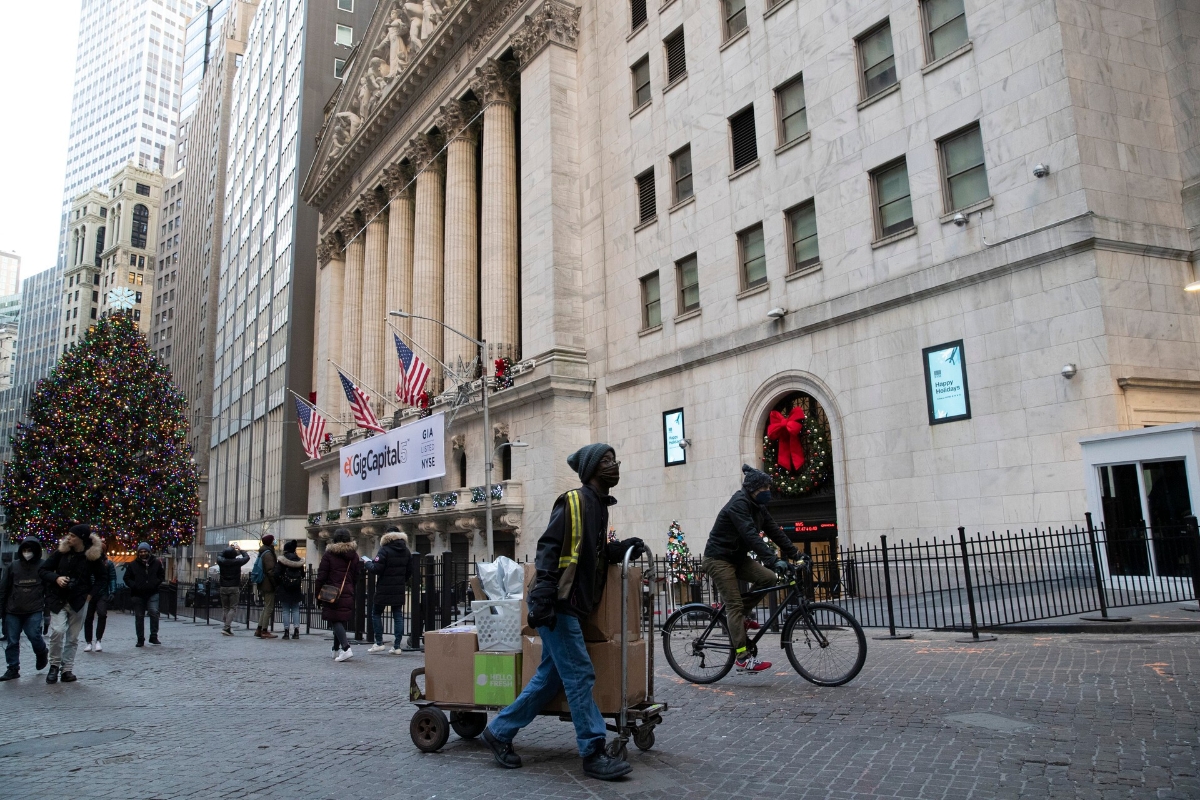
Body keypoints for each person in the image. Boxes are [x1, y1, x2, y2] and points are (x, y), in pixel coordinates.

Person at [483, 444, 645, 782]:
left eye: (614, 459)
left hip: (571, 604)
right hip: (558, 604)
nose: (614, 465)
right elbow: (549, 548)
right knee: (580, 674)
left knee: (550, 678)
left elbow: (592, 553)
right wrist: (543, 596)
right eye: (606, 460)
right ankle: (593, 751)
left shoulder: (599, 507)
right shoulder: (573, 501)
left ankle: (499, 731)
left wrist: (620, 548)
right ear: (591, 469)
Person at [701, 465, 804, 674]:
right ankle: (742, 657)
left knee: (769, 578)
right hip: (718, 559)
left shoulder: (758, 506)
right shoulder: (738, 504)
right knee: (734, 605)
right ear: (753, 488)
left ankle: (741, 617)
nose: (768, 491)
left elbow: (774, 531)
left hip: (737, 558)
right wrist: (772, 560)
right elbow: (750, 535)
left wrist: (796, 554)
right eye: (765, 487)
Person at [40, 524, 105, 684]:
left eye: (73, 536)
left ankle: (67, 669)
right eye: (69, 534)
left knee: (73, 637)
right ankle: (54, 666)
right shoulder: (61, 553)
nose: (69, 538)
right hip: (58, 598)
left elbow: (102, 578)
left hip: (79, 600)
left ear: (81, 538)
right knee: (58, 631)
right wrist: (57, 578)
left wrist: (90, 595)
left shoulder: (92, 556)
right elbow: (43, 570)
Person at [0, 537, 49, 681]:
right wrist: (2, 611)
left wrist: (47, 614)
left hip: (34, 608)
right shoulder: (13, 566)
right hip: (13, 609)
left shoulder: (43, 566)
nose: (27, 553)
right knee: (12, 641)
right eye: (25, 550)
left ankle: (41, 651)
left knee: (33, 634)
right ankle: (13, 668)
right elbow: (3, 589)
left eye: (30, 550)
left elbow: (48, 590)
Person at [366, 527, 415, 654]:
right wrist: (402, 580)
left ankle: (379, 643)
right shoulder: (406, 551)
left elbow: (376, 569)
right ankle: (397, 646)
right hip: (398, 587)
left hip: (383, 587)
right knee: (398, 615)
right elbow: (410, 570)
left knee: (376, 613)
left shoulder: (384, 550)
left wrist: (367, 564)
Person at [315, 528, 360, 662]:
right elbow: (357, 575)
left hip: (332, 592)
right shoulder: (354, 555)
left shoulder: (329, 555)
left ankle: (346, 648)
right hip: (347, 590)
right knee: (338, 619)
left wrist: (317, 594)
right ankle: (335, 649)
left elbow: (321, 576)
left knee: (335, 619)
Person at [123, 542, 165, 646]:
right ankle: (140, 639)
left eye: (145, 551)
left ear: (149, 552)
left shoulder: (156, 563)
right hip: (138, 594)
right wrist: (134, 585)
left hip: (152, 592)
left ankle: (153, 636)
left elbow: (161, 575)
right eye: (141, 552)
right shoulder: (133, 565)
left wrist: (155, 583)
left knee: (154, 612)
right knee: (139, 616)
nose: (143, 553)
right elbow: (127, 578)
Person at [83, 542, 117, 652]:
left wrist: (112, 591)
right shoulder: (88, 562)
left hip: (102, 592)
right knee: (88, 617)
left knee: (102, 614)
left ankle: (98, 640)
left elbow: (112, 578)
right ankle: (88, 642)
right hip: (89, 592)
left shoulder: (108, 564)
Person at [216, 544, 250, 636]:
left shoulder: (221, 561)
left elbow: (219, 555)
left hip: (223, 586)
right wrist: (240, 549)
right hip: (234, 586)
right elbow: (247, 557)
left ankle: (226, 627)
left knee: (225, 608)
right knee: (232, 608)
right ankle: (227, 627)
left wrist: (227, 549)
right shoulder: (237, 562)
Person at [274, 540, 306, 640]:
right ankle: (296, 631)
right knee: (296, 609)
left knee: (285, 610)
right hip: (296, 587)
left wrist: (280, 582)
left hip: (284, 587)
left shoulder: (282, 560)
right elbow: (303, 574)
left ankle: (286, 632)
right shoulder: (299, 560)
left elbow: (276, 573)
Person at [254, 535, 279, 639]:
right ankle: (264, 630)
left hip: (263, 583)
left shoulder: (263, 551)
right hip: (268, 584)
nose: (275, 541)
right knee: (269, 607)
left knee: (266, 607)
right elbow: (270, 570)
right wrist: (275, 584)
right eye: (273, 540)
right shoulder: (268, 553)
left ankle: (259, 629)